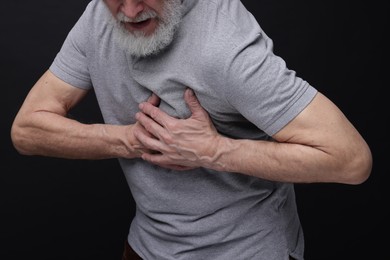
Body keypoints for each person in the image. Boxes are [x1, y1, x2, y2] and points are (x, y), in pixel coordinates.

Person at [11, 0, 372, 259]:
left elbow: (351, 160)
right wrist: (131, 140)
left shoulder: (226, 46)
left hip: (245, 250)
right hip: (147, 246)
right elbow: (26, 131)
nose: (131, 11)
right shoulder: (97, 18)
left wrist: (212, 151)